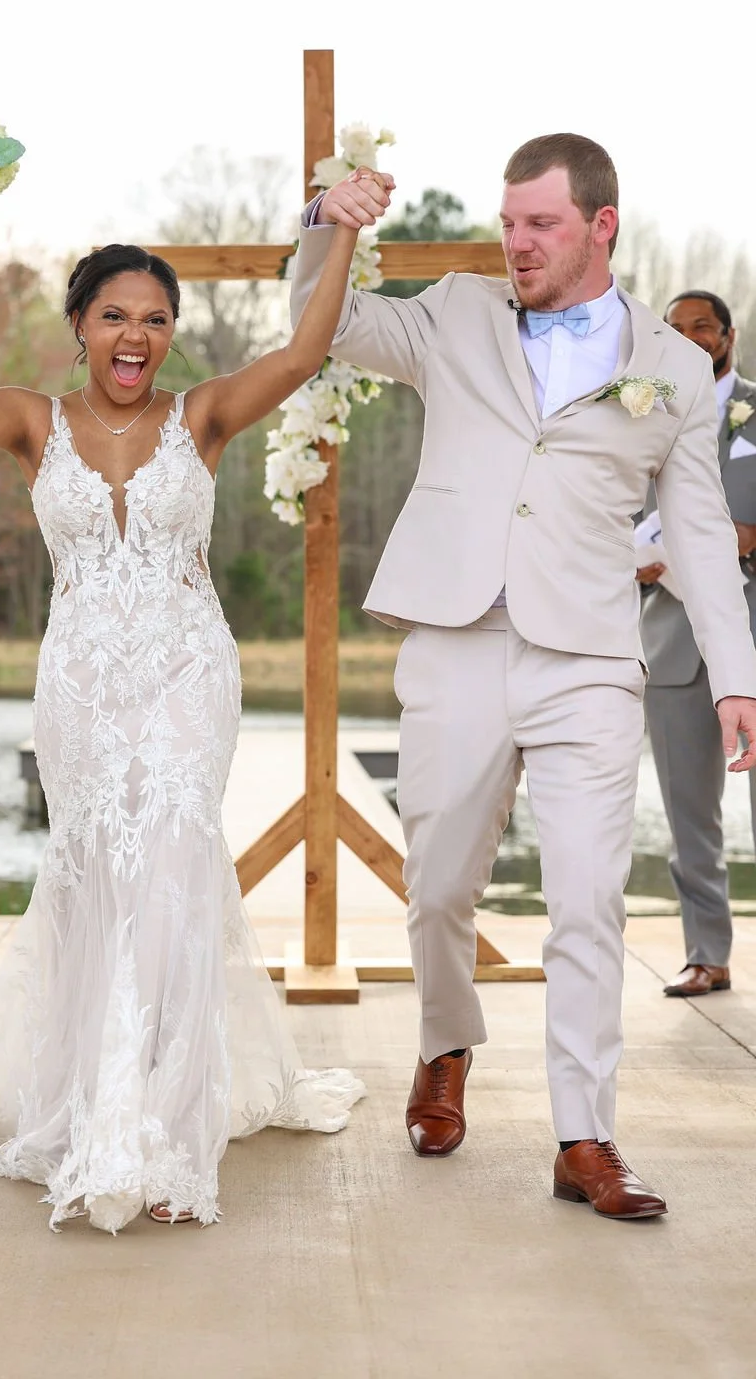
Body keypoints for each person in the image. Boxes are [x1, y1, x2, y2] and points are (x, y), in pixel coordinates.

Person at [290, 135, 756, 1221]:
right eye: (508, 223)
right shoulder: (453, 314)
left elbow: (696, 536)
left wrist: (736, 675)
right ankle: (444, 1043)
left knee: (589, 898)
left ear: (601, 226)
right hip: (453, 638)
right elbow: (328, 326)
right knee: (440, 883)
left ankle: (583, 1135)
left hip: (590, 656)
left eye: (539, 224)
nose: (517, 244)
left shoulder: (676, 371)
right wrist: (328, 222)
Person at [0, 194, 366, 1234]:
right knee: (97, 880)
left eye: (155, 319)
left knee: (168, 882)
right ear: (81, 325)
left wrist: (339, 233)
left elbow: (298, 355)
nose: (137, 337)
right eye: (116, 315)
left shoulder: (199, 417)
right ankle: (89, 1099)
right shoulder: (35, 421)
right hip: (80, 687)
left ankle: (158, 1123)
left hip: (185, 677)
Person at [637, 291, 756, 998]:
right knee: (689, 811)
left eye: (701, 327)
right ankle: (706, 953)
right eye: (674, 329)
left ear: (727, 335)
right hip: (675, 640)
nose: (688, 338)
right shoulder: (638, 415)